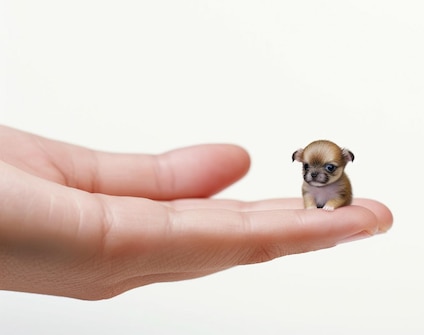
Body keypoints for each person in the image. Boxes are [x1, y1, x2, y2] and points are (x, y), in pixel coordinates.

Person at [0, 125, 392, 300]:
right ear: (298, 161)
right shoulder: (310, 181)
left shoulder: (337, 184)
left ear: (345, 163)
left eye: (328, 170)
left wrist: (330, 206)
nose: (315, 176)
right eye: (308, 168)